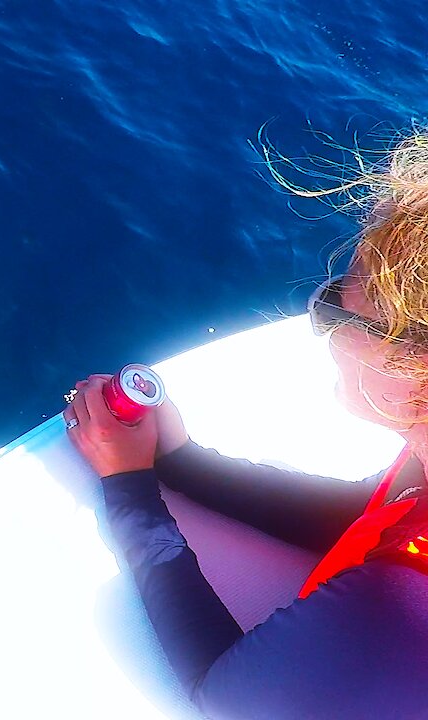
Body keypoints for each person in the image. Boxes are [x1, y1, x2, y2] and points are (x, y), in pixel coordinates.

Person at [62, 133, 428, 719]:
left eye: (337, 308)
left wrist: (128, 488)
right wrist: (180, 461)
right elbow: (365, 518)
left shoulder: (401, 612)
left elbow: (223, 693)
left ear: (415, 367)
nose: (320, 323)